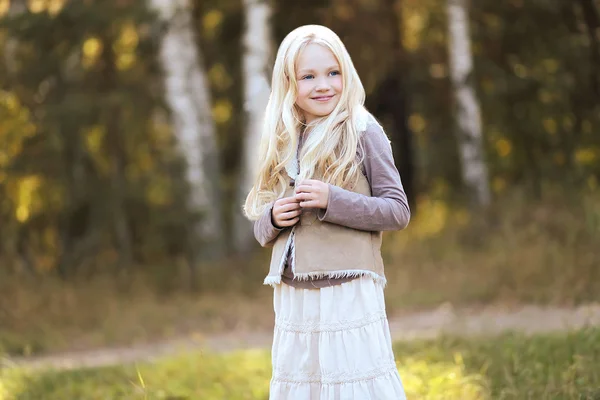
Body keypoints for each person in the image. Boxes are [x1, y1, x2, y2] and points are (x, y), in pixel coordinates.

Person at [244, 24, 410, 400]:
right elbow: (259, 227)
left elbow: (397, 210)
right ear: (289, 84)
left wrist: (332, 200)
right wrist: (272, 218)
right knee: (305, 386)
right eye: (309, 76)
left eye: (333, 73)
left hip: (347, 288)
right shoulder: (283, 138)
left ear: (346, 73)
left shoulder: (362, 129)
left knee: (353, 383)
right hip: (293, 294)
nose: (324, 85)